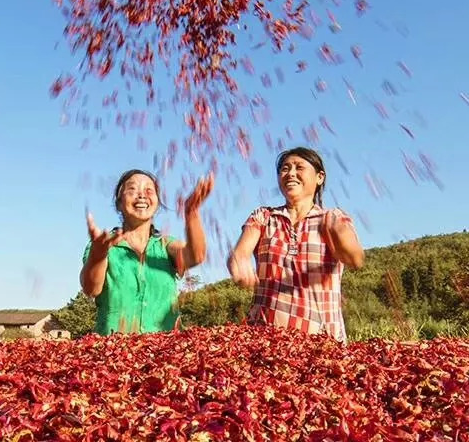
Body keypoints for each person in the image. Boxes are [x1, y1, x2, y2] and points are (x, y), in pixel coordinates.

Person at [227, 146, 364, 342]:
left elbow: (355, 258)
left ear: (319, 177)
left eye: (299, 167)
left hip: (323, 343)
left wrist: (339, 236)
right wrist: (238, 263)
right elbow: (239, 254)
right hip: (264, 341)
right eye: (285, 168)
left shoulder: (333, 218)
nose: (291, 173)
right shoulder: (264, 217)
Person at [80, 169, 214, 335]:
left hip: (166, 347)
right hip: (115, 346)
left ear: (157, 204)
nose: (142, 195)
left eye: (149, 190)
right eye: (132, 189)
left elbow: (196, 256)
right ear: (119, 203)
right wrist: (98, 255)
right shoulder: (103, 245)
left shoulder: (165, 245)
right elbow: (91, 289)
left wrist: (191, 212)